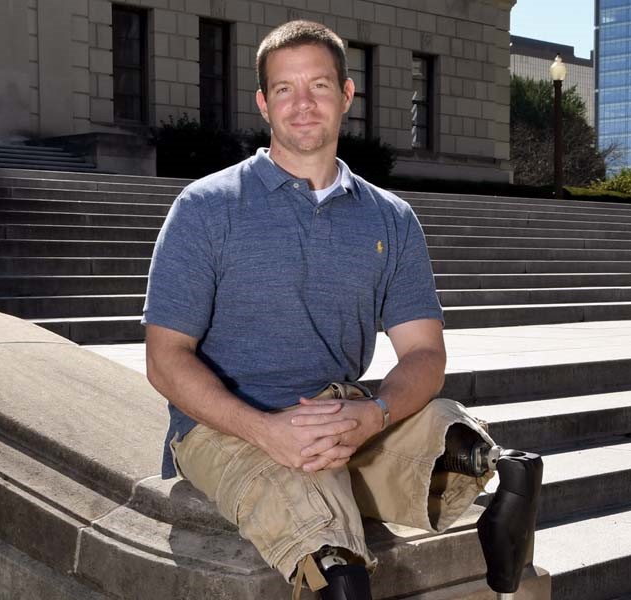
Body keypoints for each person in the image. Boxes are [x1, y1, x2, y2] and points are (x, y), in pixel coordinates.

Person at [142, 20, 503, 600]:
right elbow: (165, 359)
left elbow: (424, 352)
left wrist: (376, 416)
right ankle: (333, 547)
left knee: (463, 443)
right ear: (263, 102)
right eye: (284, 89)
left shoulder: (390, 218)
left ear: (346, 95)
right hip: (225, 426)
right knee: (334, 563)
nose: (302, 103)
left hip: (342, 411)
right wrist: (265, 429)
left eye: (318, 86)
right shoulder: (205, 208)